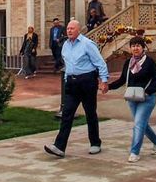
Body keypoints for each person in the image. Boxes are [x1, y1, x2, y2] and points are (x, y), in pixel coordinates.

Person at [44, 19, 109, 158]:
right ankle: (59, 147)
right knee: (67, 114)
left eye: (72, 28)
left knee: (90, 113)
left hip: (87, 82)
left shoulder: (87, 44)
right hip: (72, 84)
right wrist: (67, 79)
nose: (69, 31)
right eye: (68, 28)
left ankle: (95, 143)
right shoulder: (65, 45)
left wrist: (104, 81)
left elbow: (100, 63)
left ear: (79, 30)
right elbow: (68, 65)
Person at [108, 36, 156, 162]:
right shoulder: (128, 63)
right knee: (142, 124)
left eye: (138, 45)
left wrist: (147, 92)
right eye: (133, 46)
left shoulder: (149, 62)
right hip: (132, 98)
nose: (135, 48)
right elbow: (122, 80)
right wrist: (108, 87)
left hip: (147, 99)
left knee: (138, 124)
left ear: (143, 47)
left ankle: (134, 152)